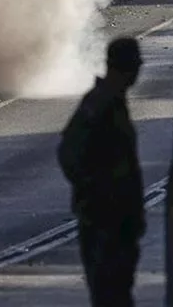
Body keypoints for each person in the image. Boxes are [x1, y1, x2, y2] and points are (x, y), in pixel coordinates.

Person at [57, 37, 145, 306]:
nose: (138, 71)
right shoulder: (100, 104)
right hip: (103, 222)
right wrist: (94, 191)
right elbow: (69, 153)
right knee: (109, 294)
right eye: (134, 65)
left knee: (117, 293)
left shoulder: (114, 103)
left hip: (119, 223)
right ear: (124, 67)